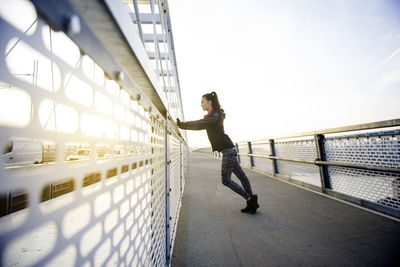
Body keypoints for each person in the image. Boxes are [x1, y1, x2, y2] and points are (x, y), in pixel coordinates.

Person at [177, 92, 259, 214]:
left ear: (209, 102)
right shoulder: (213, 116)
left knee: (226, 180)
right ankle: (252, 201)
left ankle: (249, 199)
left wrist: (182, 125)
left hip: (228, 150)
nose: (201, 105)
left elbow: (199, 124)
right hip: (229, 149)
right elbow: (200, 125)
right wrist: (183, 126)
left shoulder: (214, 116)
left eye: (202, 102)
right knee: (242, 176)